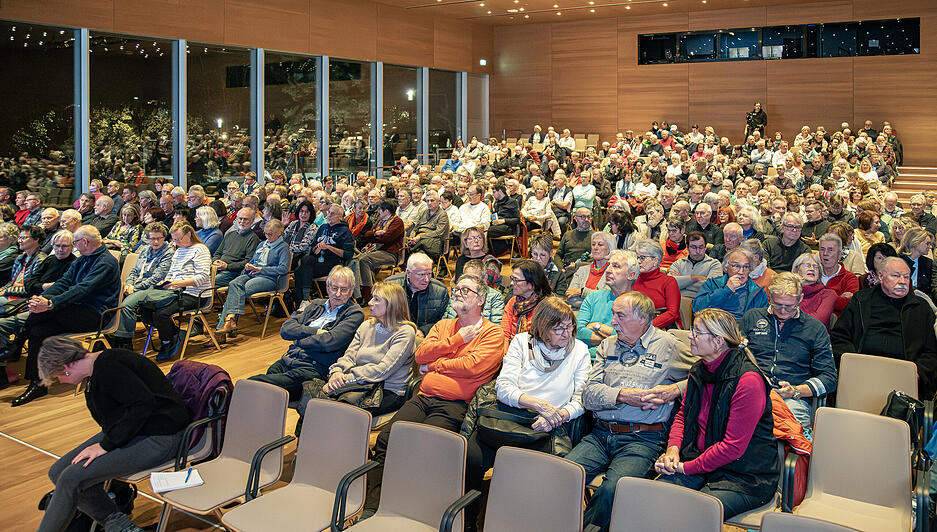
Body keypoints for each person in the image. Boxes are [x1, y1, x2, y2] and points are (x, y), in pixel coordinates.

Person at [362, 273, 506, 516]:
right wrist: (456, 340)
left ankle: (412, 511)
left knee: (424, 446)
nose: (458, 293)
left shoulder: (492, 333)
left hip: (455, 404)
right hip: (423, 397)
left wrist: (435, 365)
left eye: (466, 290)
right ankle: (373, 508)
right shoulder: (444, 326)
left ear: (481, 299)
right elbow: (421, 355)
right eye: (456, 289)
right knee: (387, 439)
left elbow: (472, 366)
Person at [459, 296, 591, 530]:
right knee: (470, 458)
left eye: (570, 326)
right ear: (543, 327)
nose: (566, 333)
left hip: (546, 426)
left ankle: (523, 523)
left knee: (540, 473)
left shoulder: (579, 350)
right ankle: (467, 522)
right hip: (509, 417)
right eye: (558, 328)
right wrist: (538, 404)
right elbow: (504, 388)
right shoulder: (521, 342)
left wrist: (557, 416)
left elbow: (581, 399)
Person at [34, 336, 191, 532]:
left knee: (71, 477)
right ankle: (118, 524)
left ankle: (116, 524)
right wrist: (108, 442)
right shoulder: (97, 369)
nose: (60, 381)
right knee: (58, 471)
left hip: (161, 436)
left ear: (65, 367)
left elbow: (142, 404)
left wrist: (105, 446)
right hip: (136, 431)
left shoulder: (111, 365)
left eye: (58, 376)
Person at [566, 291, 691, 530]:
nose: (612, 322)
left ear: (643, 318)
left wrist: (675, 389)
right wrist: (623, 395)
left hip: (643, 438)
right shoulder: (607, 345)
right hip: (600, 434)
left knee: (613, 490)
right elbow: (589, 395)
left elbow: (707, 373)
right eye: (613, 314)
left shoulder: (669, 346)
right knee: (563, 475)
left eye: (620, 316)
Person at [655, 308, 779, 519]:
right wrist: (672, 451)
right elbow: (683, 415)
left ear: (718, 341)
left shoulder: (748, 380)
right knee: (655, 500)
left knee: (694, 515)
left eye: (697, 332)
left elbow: (732, 447)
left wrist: (684, 468)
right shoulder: (699, 369)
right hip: (699, 461)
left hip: (742, 476)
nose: (690, 336)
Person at [12, 225, 121, 407]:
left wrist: (50, 304)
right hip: (74, 310)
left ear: (85, 241)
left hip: (96, 315)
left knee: (48, 310)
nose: (74, 246)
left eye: (75, 242)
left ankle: (17, 344)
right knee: (38, 331)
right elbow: (64, 282)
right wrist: (42, 298)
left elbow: (82, 290)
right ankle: (38, 383)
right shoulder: (83, 258)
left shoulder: (106, 262)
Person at [296, 282, 417, 432]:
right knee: (313, 405)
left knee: (334, 413)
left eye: (376, 299)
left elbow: (383, 370)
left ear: (392, 304)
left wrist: (344, 380)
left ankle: (335, 446)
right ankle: (308, 446)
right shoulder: (366, 326)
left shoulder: (405, 332)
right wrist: (337, 372)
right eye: (372, 298)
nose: (370, 303)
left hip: (386, 390)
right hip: (358, 384)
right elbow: (349, 356)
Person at [250, 265, 364, 400]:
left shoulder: (354, 313)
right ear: (327, 288)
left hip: (313, 369)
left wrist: (298, 340)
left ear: (351, 291)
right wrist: (316, 331)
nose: (338, 294)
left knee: (254, 384)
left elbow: (329, 341)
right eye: (334, 288)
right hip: (289, 359)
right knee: (267, 390)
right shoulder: (316, 304)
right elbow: (286, 329)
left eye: (344, 289)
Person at [832, 257, 937, 397]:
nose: (902, 281)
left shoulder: (921, 308)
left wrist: (916, 374)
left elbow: (930, 352)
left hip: (903, 378)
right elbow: (839, 338)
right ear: (881, 276)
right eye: (896, 276)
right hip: (862, 373)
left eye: (906, 277)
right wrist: (854, 365)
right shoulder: (861, 301)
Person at [742, 273, 837, 427]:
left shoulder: (814, 328)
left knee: (782, 427)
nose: (783, 311)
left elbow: (829, 378)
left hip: (792, 399)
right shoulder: (752, 318)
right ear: (770, 297)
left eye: (789, 306)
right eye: (777, 304)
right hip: (752, 392)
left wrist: (795, 391)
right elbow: (736, 358)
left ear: (800, 299)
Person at [136, 222, 212, 361]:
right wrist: (166, 281)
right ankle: (174, 333)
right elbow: (171, 273)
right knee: (144, 307)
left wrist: (177, 283)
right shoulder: (178, 250)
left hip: (195, 294)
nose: (176, 243)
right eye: (174, 240)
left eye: (179, 239)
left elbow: (203, 277)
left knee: (161, 313)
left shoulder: (200, 249)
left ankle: (167, 342)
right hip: (176, 290)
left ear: (189, 234)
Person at [215, 219, 290, 338]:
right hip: (253, 273)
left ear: (279, 233)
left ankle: (223, 330)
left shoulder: (283, 247)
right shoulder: (262, 244)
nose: (267, 236)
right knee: (233, 284)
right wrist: (248, 265)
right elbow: (253, 260)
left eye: (270, 234)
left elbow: (283, 269)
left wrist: (261, 269)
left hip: (269, 278)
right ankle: (230, 321)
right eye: (265, 233)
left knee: (239, 290)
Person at [107, 223, 176, 350]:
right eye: (152, 238)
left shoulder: (168, 253)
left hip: (154, 288)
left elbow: (157, 277)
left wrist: (135, 288)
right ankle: (109, 336)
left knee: (126, 305)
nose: (156, 241)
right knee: (110, 297)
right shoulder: (145, 250)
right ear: (148, 239)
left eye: (159, 238)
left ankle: (125, 342)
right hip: (136, 285)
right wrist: (129, 284)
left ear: (164, 237)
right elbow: (135, 271)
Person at [576, 249, 640, 358]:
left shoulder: (639, 304)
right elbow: (578, 332)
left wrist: (597, 326)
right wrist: (615, 336)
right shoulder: (593, 298)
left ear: (631, 275)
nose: (608, 270)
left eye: (616, 266)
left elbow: (633, 339)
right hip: (586, 358)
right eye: (609, 265)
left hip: (620, 360)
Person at [293, 204, 355, 307]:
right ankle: (303, 302)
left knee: (300, 271)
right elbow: (312, 248)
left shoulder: (345, 231)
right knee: (306, 261)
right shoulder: (323, 228)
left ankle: (303, 302)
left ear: (340, 217)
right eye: (329, 212)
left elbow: (348, 254)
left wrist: (329, 247)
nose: (328, 215)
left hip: (334, 262)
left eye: (332, 213)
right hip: (318, 259)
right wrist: (317, 247)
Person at [384, 253, 450, 338]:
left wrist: (424, 331)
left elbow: (445, 321)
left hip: (426, 338)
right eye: (421, 274)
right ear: (408, 273)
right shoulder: (390, 287)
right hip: (394, 334)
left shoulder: (440, 291)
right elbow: (381, 316)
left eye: (429, 274)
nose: (426, 279)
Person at [694, 248, 769, 320]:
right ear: (726, 267)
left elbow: (762, 322)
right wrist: (726, 290)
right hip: (715, 326)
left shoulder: (758, 293)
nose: (741, 272)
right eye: (736, 266)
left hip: (743, 328)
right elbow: (697, 308)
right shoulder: (712, 284)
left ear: (750, 269)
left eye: (746, 267)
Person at [355, 199, 405, 295]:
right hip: (378, 250)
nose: (378, 211)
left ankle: (367, 292)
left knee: (364, 260)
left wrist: (374, 236)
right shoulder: (381, 221)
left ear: (386, 211)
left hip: (391, 253)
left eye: (380, 209)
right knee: (357, 259)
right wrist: (376, 233)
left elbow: (386, 239)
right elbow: (367, 235)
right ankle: (363, 289)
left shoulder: (397, 222)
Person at [632, 239, 683, 329]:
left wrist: (646, 327)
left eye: (642, 258)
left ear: (655, 261)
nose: (638, 261)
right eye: (637, 257)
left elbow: (672, 314)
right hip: (635, 325)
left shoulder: (669, 282)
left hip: (661, 328)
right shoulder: (633, 280)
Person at [502, 260, 552, 342]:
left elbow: (545, 340)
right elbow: (505, 334)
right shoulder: (513, 302)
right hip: (512, 346)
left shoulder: (547, 307)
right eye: (512, 278)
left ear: (532, 284)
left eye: (516, 280)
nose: (511, 283)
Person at [212, 207, 262, 289]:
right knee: (198, 276)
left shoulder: (253, 238)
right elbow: (218, 253)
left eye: (246, 219)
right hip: (217, 268)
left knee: (208, 282)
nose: (242, 221)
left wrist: (227, 266)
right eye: (240, 218)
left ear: (252, 221)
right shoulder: (230, 234)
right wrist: (215, 261)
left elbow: (248, 262)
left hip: (233, 272)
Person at [442, 259, 505, 324]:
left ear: (484, 278)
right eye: (466, 277)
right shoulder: (457, 292)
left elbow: (496, 324)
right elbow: (446, 319)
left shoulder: (495, 296)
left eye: (474, 279)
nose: (468, 282)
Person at [669, 231, 724, 299]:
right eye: (693, 247)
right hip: (679, 301)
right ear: (687, 247)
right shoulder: (678, 263)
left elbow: (712, 287)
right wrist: (696, 278)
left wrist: (682, 282)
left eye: (701, 247)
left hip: (702, 302)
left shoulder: (714, 264)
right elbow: (670, 284)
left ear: (705, 247)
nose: (698, 251)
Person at [565, 231, 614, 306]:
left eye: (600, 244)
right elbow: (571, 298)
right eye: (593, 244)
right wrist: (596, 298)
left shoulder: (614, 273)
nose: (595, 248)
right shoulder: (581, 270)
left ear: (610, 248)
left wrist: (582, 292)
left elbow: (607, 298)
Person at [792, 252, 837, 329]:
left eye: (816, 267)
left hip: (812, 334)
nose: (812, 269)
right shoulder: (789, 292)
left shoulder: (828, 294)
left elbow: (817, 322)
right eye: (807, 265)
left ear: (819, 274)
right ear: (796, 270)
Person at [817, 233, 859, 313]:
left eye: (830, 250)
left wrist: (816, 297)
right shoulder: (812, 274)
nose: (825, 253)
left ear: (840, 255)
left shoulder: (849, 278)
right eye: (822, 249)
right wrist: (838, 298)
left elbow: (850, 305)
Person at [407, 190, 450, 263]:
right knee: (404, 241)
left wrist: (420, 237)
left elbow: (438, 233)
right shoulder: (424, 212)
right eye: (427, 201)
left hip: (434, 242)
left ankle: (412, 250)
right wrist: (412, 237)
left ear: (438, 201)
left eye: (432, 200)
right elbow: (415, 228)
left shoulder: (442, 215)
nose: (429, 203)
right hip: (419, 239)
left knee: (420, 248)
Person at [899, 227, 937, 302]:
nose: (930, 247)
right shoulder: (897, 261)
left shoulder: (927, 263)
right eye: (927, 244)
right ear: (915, 243)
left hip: (921, 302)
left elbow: (930, 290)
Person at [284, 199, 317, 269]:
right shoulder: (293, 223)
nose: (303, 214)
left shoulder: (313, 227)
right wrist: (283, 225)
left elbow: (303, 247)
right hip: (285, 252)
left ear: (311, 214)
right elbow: (283, 237)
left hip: (298, 255)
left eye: (307, 212)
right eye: (301, 211)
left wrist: (286, 249)